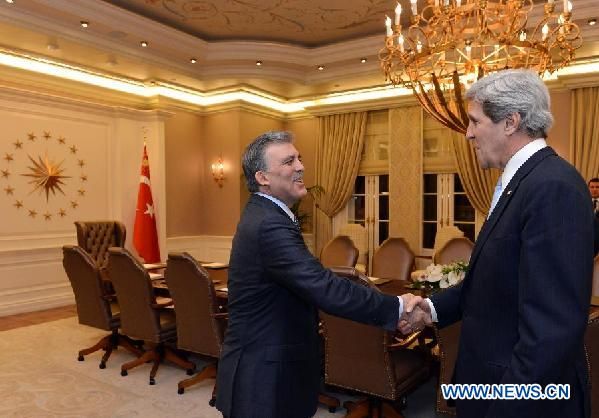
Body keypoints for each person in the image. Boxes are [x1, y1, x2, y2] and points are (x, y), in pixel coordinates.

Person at [404, 69, 593, 418]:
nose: (468, 133)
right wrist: (429, 311)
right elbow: (492, 284)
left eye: (475, 121)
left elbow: (550, 333)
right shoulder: (519, 182)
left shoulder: (553, 188)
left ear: (510, 122)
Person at [215, 131, 415, 418]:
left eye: (299, 158)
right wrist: (396, 307)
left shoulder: (267, 215)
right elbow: (324, 286)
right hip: (264, 378)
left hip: (273, 368)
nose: (300, 166)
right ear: (263, 177)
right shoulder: (269, 224)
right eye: (288, 161)